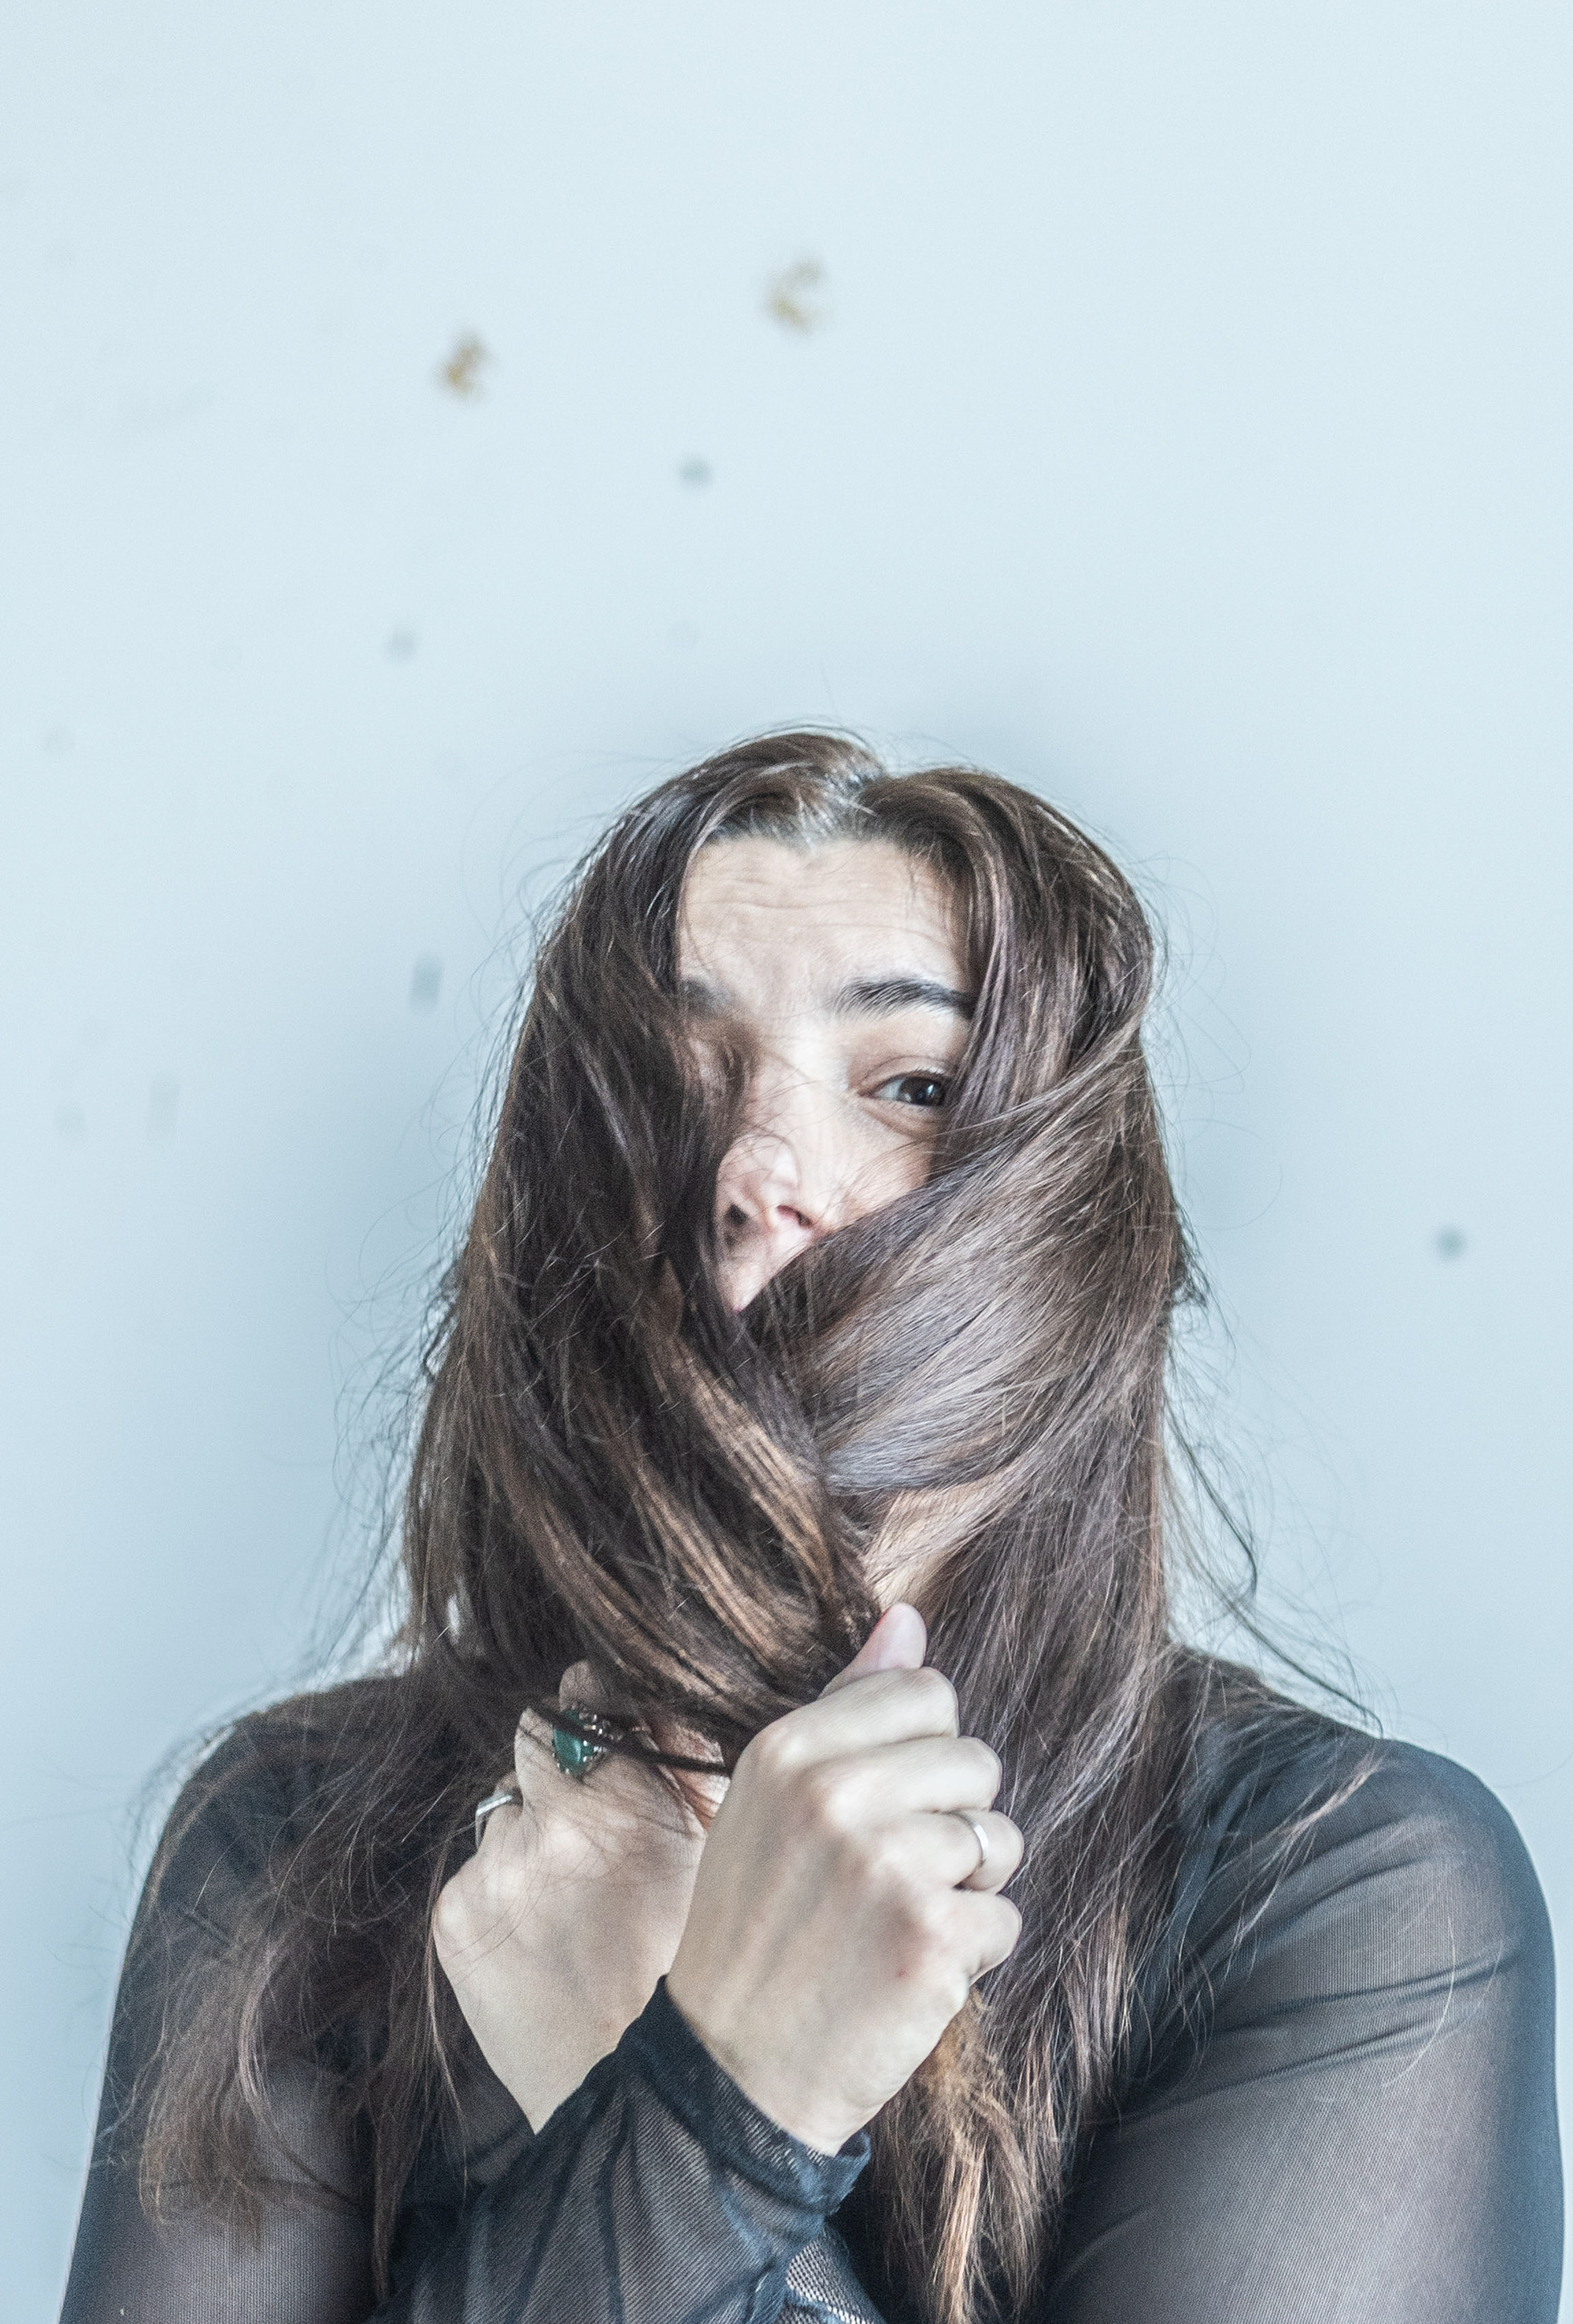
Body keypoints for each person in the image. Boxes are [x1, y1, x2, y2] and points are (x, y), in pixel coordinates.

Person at [60, 733, 1561, 2324]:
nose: (758, 1171)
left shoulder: (1349, 1895)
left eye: (911, 1086)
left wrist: (686, 2096)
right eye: (676, 1082)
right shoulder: (289, 1845)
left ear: (1071, 1234)